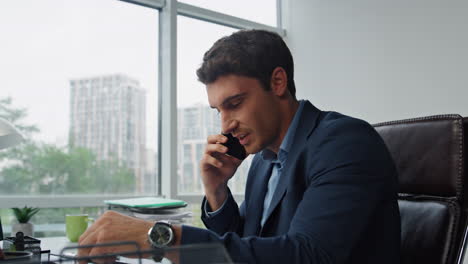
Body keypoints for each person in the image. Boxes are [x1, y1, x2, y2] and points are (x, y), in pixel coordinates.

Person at [78, 29, 400, 264]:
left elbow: (308, 255)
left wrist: (160, 236)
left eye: (235, 103)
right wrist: (217, 192)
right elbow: (247, 246)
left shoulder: (344, 142)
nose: (225, 125)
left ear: (278, 82)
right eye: (219, 110)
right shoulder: (264, 159)